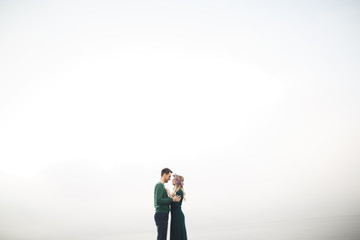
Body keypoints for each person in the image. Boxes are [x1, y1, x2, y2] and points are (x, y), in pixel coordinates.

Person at [154, 168, 181, 240]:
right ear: (164, 175)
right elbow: (158, 201)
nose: (169, 179)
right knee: (162, 237)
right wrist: (172, 199)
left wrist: (169, 195)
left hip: (163, 214)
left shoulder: (162, 186)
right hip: (161, 214)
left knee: (162, 237)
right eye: (169, 176)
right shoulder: (160, 185)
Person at [170, 174, 187, 240]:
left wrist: (169, 195)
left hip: (177, 216)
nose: (172, 180)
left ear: (177, 182)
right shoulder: (176, 191)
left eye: (174, 179)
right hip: (175, 215)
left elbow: (175, 204)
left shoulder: (179, 191)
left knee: (178, 235)